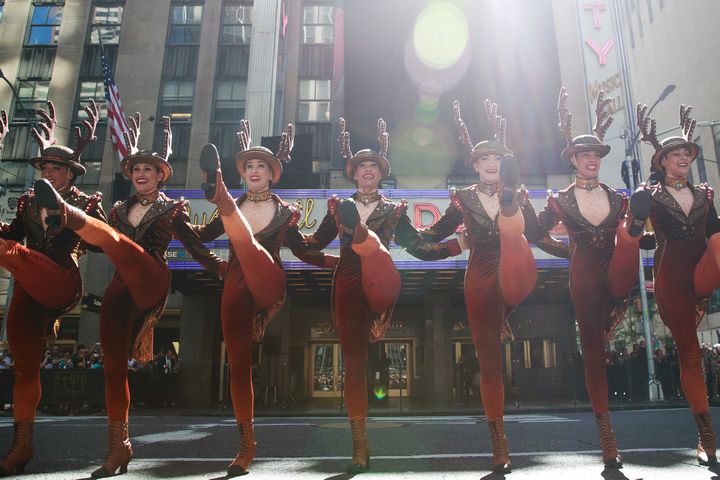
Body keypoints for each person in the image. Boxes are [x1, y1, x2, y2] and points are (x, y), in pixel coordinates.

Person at [34, 114, 225, 477]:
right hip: (121, 286)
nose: (140, 174)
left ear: (160, 176)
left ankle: (68, 214)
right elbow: (107, 247)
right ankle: (118, 446)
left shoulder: (172, 208)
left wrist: (220, 267)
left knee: (123, 246)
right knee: (112, 366)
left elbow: (196, 245)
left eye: (148, 169)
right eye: (136, 168)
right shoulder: (119, 210)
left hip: (152, 275)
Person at [303, 117, 461, 473]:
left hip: (378, 278)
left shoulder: (393, 210)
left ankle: (364, 243)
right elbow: (312, 245)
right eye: (362, 167)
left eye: (374, 166)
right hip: (347, 284)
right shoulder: (336, 207)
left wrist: (454, 245)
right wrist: (283, 234)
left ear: (380, 173)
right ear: (354, 174)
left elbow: (419, 246)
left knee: (367, 361)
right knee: (354, 367)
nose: (368, 171)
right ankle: (360, 445)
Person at [197, 120, 334, 477]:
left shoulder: (287, 212)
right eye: (248, 166)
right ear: (241, 175)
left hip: (269, 277)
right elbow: (197, 237)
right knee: (238, 364)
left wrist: (335, 261)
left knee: (248, 246)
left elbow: (303, 251)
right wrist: (213, 263)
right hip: (235, 282)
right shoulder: (230, 209)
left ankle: (218, 192)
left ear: (273, 175)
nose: (254, 170)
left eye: (261, 166)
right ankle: (246, 445)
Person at [412, 100, 538, 473]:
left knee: (517, 254)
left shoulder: (520, 192)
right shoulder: (463, 199)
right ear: (476, 166)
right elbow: (433, 235)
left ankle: (507, 314)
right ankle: (499, 444)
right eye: (484, 159)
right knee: (489, 363)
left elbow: (538, 233)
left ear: (504, 163)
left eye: (497, 157)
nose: (491, 163)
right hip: (480, 274)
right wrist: (402, 232)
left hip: (513, 263)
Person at [527, 88, 650, 468]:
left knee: (628, 243)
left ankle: (625, 261)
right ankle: (606, 433)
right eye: (585, 155)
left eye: (596, 154)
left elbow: (640, 238)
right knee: (594, 352)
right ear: (575, 160)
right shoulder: (560, 199)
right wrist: (568, 253)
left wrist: (647, 237)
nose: (592, 159)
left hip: (615, 268)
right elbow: (535, 235)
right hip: (582, 276)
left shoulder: (618, 198)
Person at [0, 101, 107, 477]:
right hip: (28, 286)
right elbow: (10, 237)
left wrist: (74, 219)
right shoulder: (27, 202)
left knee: (15, 254)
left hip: (63, 279)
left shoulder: (85, 202)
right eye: (44, 166)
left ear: (70, 174)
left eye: (55, 168)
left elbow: (103, 242)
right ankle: (22, 445)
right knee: (25, 369)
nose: (48, 171)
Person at [635, 103, 720, 466]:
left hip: (702, 268)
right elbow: (637, 238)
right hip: (671, 279)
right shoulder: (651, 197)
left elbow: (715, 236)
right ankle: (705, 435)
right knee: (690, 354)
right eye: (676, 153)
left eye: (687, 151)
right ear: (663, 162)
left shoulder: (704, 195)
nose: (684, 156)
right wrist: (637, 219)